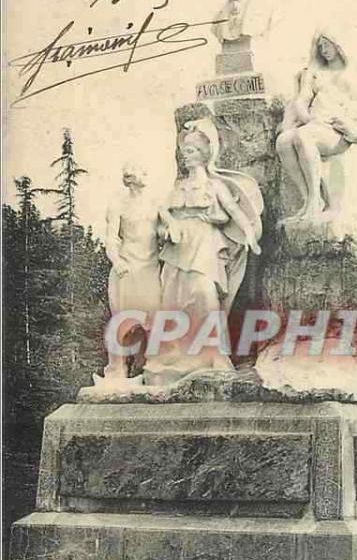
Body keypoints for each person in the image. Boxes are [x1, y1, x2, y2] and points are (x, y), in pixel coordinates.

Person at [144, 118, 263, 385]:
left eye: (192, 151)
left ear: (204, 154)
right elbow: (162, 217)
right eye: (184, 151)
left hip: (205, 246)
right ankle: (173, 359)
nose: (186, 156)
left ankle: (213, 356)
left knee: (204, 296)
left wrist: (251, 237)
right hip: (177, 250)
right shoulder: (177, 188)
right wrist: (168, 227)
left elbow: (236, 213)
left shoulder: (215, 186)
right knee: (174, 300)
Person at [276, 30, 357, 221]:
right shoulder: (315, 74)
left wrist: (355, 127)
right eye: (320, 46)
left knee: (304, 136)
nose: (324, 50)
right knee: (283, 141)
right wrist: (307, 118)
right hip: (316, 124)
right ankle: (309, 200)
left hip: (338, 130)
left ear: (338, 44)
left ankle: (315, 200)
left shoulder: (354, 72)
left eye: (327, 45)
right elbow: (301, 100)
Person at [102, 164, 162, 380]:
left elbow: (166, 226)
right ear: (128, 178)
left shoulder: (156, 202)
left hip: (151, 268)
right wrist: (116, 260)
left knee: (154, 320)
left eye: (146, 171)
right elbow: (111, 238)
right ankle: (116, 371)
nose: (145, 174)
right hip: (127, 268)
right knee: (123, 322)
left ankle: (154, 368)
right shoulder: (118, 204)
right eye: (140, 170)